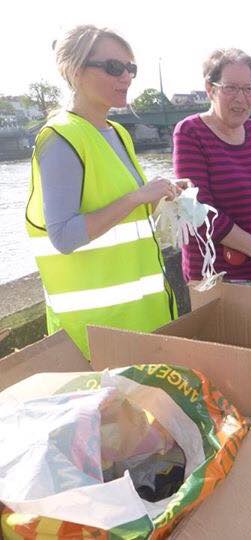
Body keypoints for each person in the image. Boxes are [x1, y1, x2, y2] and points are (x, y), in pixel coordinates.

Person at [26, 25, 179, 358]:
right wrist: (137, 196)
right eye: (114, 67)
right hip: (95, 333)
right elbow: (64, 236)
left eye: (131, 68)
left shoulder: (117, 132)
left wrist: (159, 196)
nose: (126, 76)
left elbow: (127, 216)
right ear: (76, 71)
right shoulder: (60, 138)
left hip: (145, 318)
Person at [173, 49, 251, 285]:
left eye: (248, 89)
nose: (241, 98)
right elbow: (199, 210)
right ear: (210, 89)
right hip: (215, 275)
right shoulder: (190, 132)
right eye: (231, 88)